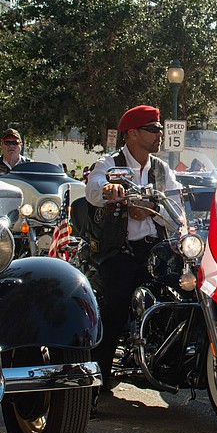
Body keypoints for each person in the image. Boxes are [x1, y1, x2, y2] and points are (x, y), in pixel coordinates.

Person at [84, 105, 182, 391]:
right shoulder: (110, 163)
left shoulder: (162, 170)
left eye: (159, 129)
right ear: (132, 134)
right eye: (152, 129)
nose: (159, 134)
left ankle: (165, 365)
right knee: (115, 306)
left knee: (180, 297)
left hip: (157, 253)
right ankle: (97, 381)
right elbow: (93, 189)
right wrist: (110, 191)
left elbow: (176, 206)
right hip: (120, 251)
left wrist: (153, 209)